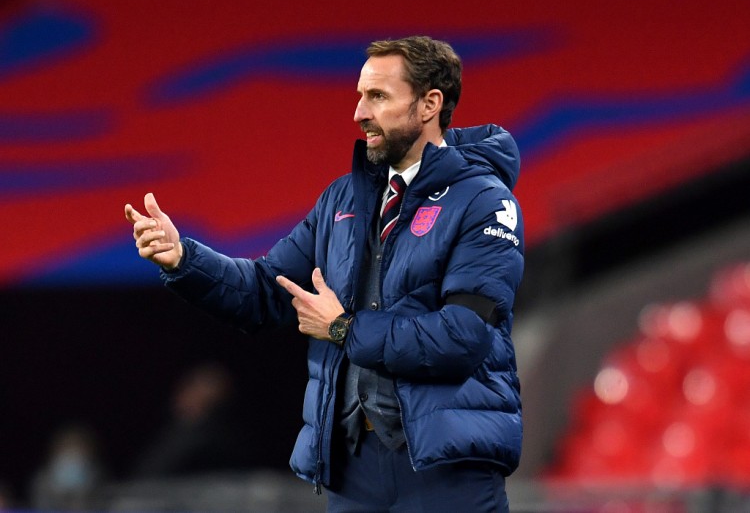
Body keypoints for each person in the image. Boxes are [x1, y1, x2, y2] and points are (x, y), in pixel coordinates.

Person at [125, 35, 524, 512]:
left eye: (378, 96)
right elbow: (265, 290)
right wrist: (183, 259)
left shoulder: (484, 200)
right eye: (360, 95)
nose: (359, 112)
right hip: (354, 468)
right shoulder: (341, 200)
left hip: (445, 470)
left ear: (429, 104)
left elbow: (462, 337)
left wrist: (343, 329)